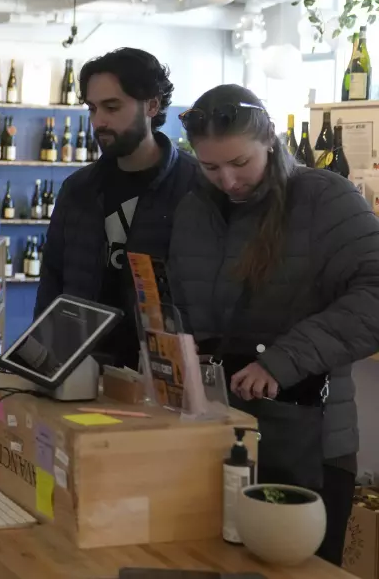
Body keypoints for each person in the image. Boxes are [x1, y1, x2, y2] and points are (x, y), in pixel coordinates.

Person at [169, 84, 379, 566]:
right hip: (216, 435)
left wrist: (282, 360)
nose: (227, 180)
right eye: (210, 167)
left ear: (269, 140)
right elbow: (183, 303)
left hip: (307, 443)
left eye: (240, 163)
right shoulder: (193, 209)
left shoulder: (324, 199)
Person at [35, 48, 201, 369]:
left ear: (152, 105)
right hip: (79, 365)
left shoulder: (194, 187)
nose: (99, 121)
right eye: (92, 108)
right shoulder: (78, 189)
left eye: (112, 107)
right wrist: (45, 356)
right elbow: (52, 280)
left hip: (159, 371)